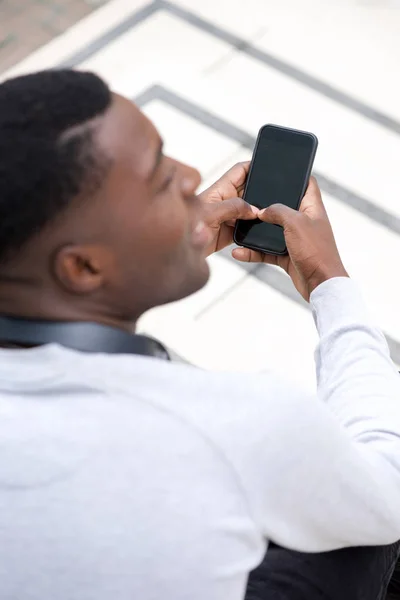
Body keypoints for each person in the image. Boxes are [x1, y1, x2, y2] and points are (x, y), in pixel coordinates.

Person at [0, 69, 400, 600]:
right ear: (83, 269)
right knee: (358, 512)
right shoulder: (238, 421)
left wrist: (159, 248)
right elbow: (387, 485)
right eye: (160, 181)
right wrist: (331, 283)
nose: (192, 176)